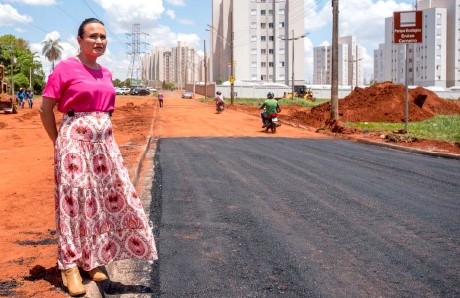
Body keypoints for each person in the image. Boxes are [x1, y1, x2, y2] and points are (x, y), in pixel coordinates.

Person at [39, 18, 158, 297]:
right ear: (79, 40)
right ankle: (69, 266)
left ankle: (91, 259)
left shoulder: (106, 72)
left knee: (103, 202)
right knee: (74, 203)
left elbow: (106, 111)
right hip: (74, 146)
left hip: (104, 146)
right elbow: (45, 109)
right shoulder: (65, 68)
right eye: (93, 36)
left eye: (103, 37)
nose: (99, 41)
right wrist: (59, 143)